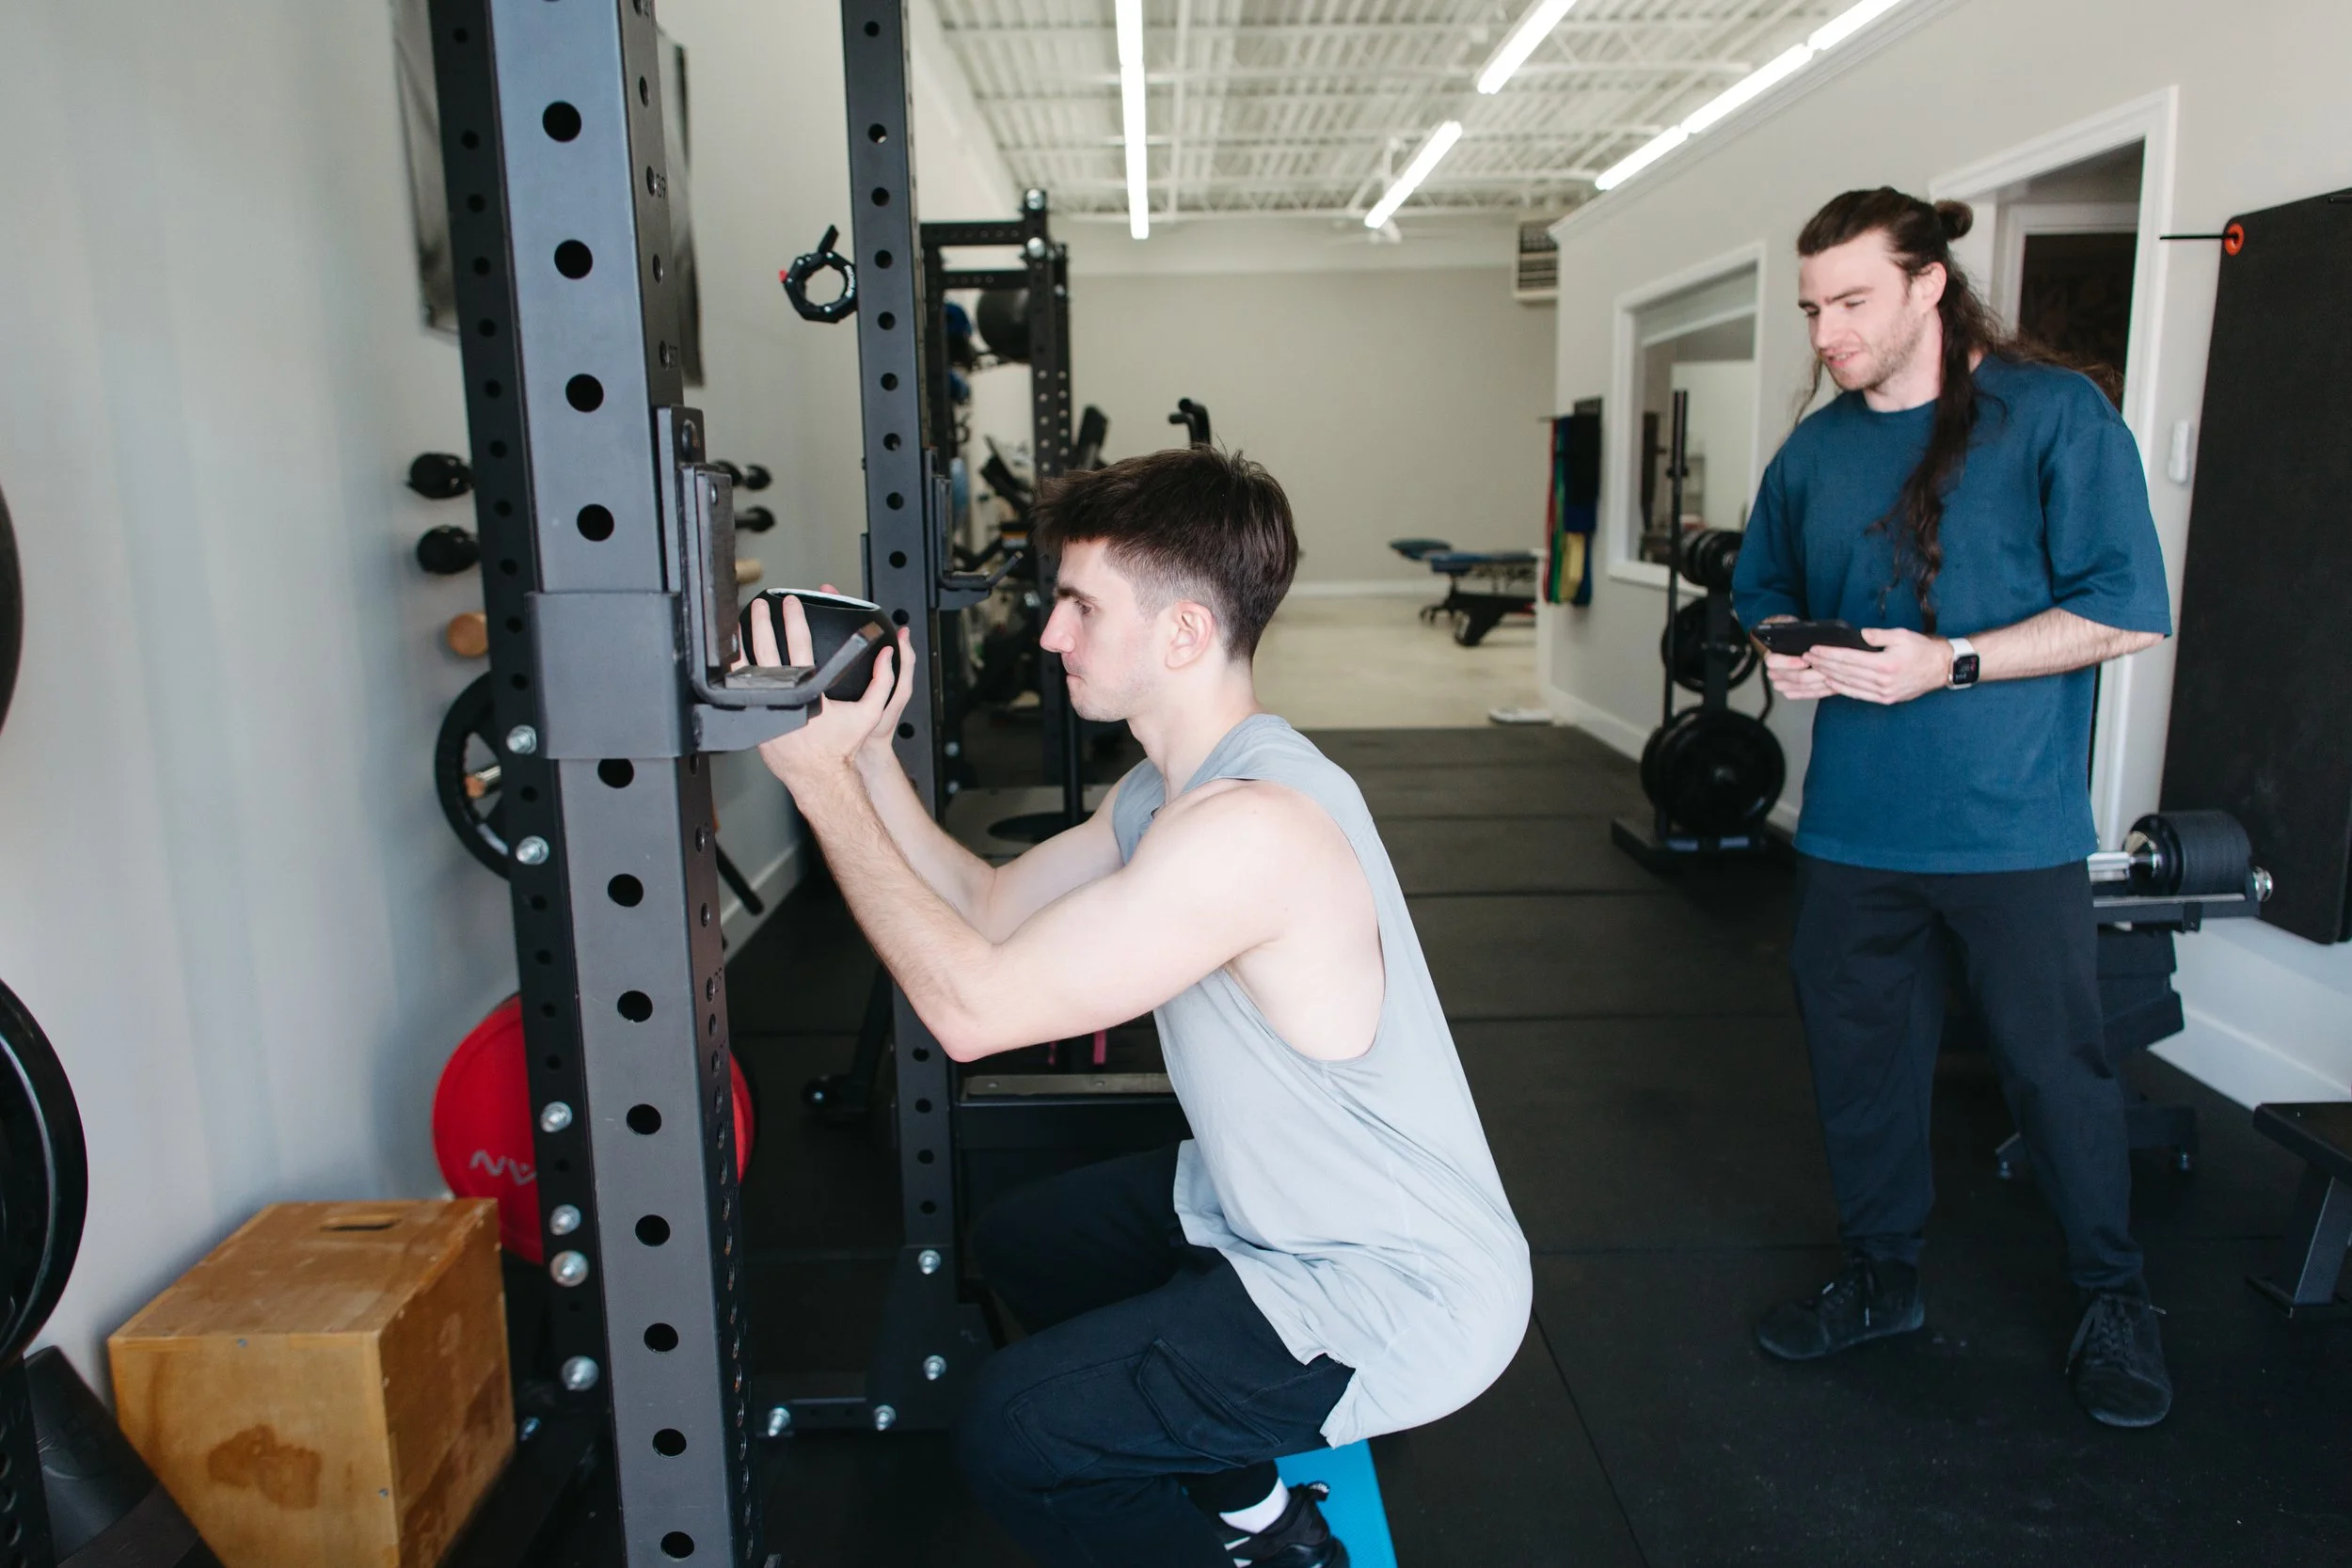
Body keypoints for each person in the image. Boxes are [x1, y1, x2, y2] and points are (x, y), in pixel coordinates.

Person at [749, 445, 1532, 1566]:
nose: (1050, 634)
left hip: (1388, 1286)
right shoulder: (1171, 788)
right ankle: (1259, 1504)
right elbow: (989, 901)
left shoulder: (1247, 827)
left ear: (1181, 634)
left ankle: (1246, 1548)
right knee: (1029, 1242)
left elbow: (969, 1009)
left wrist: (813, 784)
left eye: (1077, 606)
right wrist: (865, 757)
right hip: (1278, 1208)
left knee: (1015, 1429)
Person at [1731, 188, 2175, 1428]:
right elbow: (1763, 587)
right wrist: (1785, 645)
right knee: (1862, 1065)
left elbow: (2128, 608)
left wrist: (1953, 659)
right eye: (1813, 306)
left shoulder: (2055, 417)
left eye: (1853, 300)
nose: (1826, 330)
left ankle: (2114, 1295)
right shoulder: (1815, 450)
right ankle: (1881, 1275)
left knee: (2055, 1068)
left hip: (2010, 827)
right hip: (1851, 828)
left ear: (1930, 284)